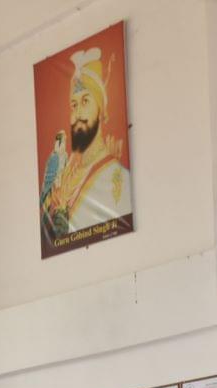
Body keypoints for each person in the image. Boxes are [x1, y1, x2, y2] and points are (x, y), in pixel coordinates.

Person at [41, 46, 132, 243]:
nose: (77, 114)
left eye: (85, 102)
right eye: (73, 105)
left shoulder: (118, 178)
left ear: (102, 110)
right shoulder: (66, 173)